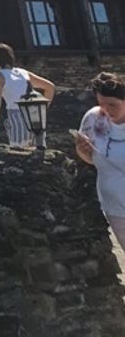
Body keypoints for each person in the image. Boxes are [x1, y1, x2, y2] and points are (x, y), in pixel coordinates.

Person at [74, 71, 125, 251]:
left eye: (113, 104)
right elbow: (92, 160)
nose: (106, 110)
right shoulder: (93, 118)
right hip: (115, 205)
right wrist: (82, 150)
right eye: (101, 103)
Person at [0, 43, 54, 148]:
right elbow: (50, 87)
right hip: (36, 115)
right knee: (38, 150)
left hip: (17, 116)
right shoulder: (23, 72)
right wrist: (44, 108)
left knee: (19, 151)